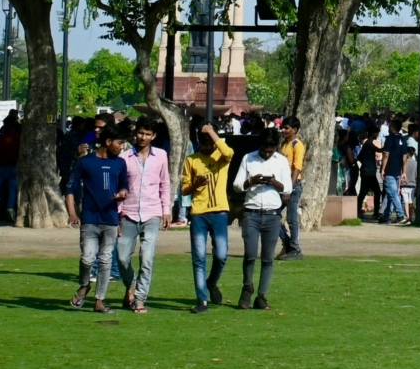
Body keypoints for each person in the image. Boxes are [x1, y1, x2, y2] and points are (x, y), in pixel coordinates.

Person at [232, 130, 295, 311]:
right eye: (264, 150)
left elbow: (288, 189)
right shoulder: (248, 158)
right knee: (250, 254)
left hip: (272, 214)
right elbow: (237, 186)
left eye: (271, 150)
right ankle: (247, 287)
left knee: (267, 258)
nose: (267, 154)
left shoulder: (281, 161)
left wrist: (273, 182)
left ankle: (261, 296)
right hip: (251, 213)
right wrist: (251, 181)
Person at [66, 129, 128, 312]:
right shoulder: (85, 162)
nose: (121, 147)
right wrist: (72, 213)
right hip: (90, 219)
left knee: (106, 260)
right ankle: (84, 285)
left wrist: (123, 193)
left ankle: (100, 301)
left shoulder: (120, 163)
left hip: (110, 219)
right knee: (87, 258)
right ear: (108, 141)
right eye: (119, 143)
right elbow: (70, 188)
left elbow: (125, 185)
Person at [115, 121, 171, 313]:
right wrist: (117, 214)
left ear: (153, 136)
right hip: (128, 213)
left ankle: (140, 299)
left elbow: (165, 184)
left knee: (147, 258)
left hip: (152, 212)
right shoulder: (124, 157)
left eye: (147, 134)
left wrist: (166, 210)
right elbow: (119, 186)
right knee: (122, 257)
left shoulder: (161, 155)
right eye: (140, 133)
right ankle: (131, 285)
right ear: (135, 133)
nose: (143, 137)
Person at [180, 124, 233, 314]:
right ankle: (201, 299)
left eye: (209, 143)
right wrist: (195, 184)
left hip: (219, 211)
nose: (206, 147)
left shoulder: (221, 157)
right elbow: (184, 189)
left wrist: (211, 132)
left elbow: (228, 151)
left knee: (221, 254)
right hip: (199, 213)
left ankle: (212, 282)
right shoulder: (191, 160)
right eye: (203, 144)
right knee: (199, 257)